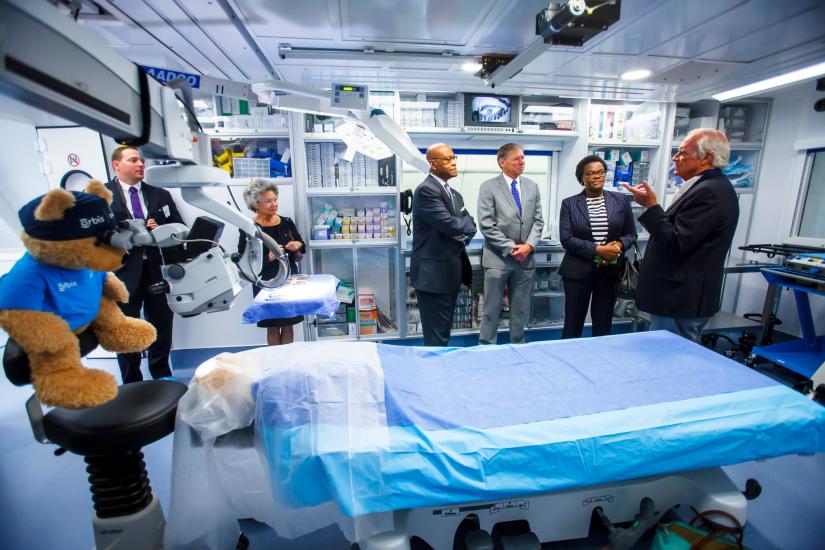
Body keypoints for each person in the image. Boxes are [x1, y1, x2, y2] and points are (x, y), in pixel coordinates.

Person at [623, 128, 739, 342]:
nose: (675, 158)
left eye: (683, 153)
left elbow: (676, 242)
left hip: (680, 298)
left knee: (671, 359)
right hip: (677, 296)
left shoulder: (710, 192)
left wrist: (651, 207)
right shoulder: (705, 187)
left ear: (707, 157)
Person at [105, 146, 183, 383]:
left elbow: (179, 227)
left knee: (161, 327)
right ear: (116, 165)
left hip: (157, 270)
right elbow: (95, 237)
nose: (140, 165)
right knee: (126, 330)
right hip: (122, 274)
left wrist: (160, 230)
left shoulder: (160, 195)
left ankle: (162, 377)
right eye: (133, 160)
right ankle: (132, 382)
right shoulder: (102, 197)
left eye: (141, 160)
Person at [559, 155, 637, 339]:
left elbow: (631, 234)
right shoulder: (569, 204)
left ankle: (601, 359)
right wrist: (598, 250)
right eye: (591, 173)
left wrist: (617, 246)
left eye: (600, 172)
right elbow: (567, 238)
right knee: (573, 322)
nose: (597, 176)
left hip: (609, 270)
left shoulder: (620, 200)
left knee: (603, 321)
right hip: (577, 271)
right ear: (582, 178)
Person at [410, 143, 477, 346]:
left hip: (450, 273)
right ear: (432, 163)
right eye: (447, 159)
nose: (453, 162)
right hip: (433, 276)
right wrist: (460, 227)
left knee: (444, 331)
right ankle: (433, 373)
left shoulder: (455, 194)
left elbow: (471, 224)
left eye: (454, 157)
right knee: (436, 336)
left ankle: (439, 369)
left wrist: (462, 231)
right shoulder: (426, 191)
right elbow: (450, 225)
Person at [477, 143, 544, 345]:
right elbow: (486, 224)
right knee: (491, 308)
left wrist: (530, 246)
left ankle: (518, 345)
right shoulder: (488, 187)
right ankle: (487, 347)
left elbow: (538, 221)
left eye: (523, 158)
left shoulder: (532, 186)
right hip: (498, 259)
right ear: (502, 162)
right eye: (517, 158)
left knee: (520, 308)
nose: (522, 162)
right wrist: (511, 247)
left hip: (525, 259)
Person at [238, 179, 306, 346]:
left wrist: (297, 245)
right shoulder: (249, 227)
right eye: (268, 201)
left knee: (288, 324)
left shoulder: (286, 223)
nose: (274, 204)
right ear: (256, 203)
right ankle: (275, 363)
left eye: (275, 199)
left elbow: (302, 246)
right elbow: (243, 259)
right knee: (273, 327)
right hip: (266, 282)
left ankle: (287, 364)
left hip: (289, 279)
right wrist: (268, 257)